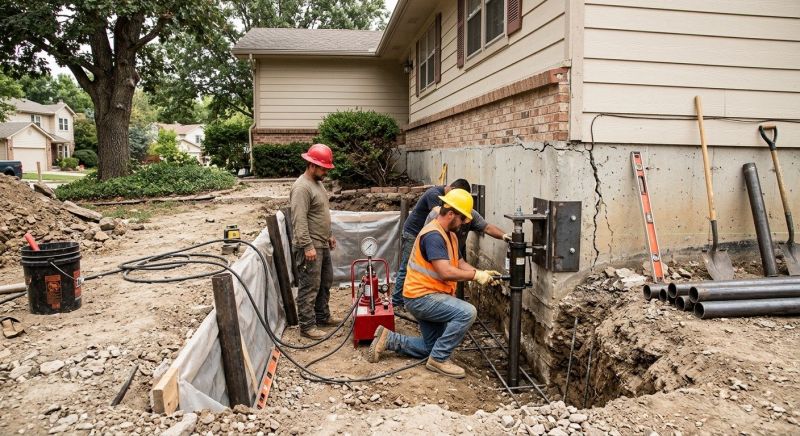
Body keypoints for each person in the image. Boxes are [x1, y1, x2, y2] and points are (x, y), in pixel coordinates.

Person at [368, 189, 501, 378]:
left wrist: (481, 273)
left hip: (428, 296)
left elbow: (459, 263)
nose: (465, 223)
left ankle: (389, 339)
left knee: (430, 347)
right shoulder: (433, 236)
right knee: (467, 312)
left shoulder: (451, 235)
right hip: (422, 298)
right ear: (451, 214)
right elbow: (445, 272)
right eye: (463, 219)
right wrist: (474, 276)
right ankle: (439, 360)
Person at [392, 179, 472, 310]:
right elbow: (439, 214)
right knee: (407, 266)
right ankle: (396, 302)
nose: (463, 223)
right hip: (414, 232)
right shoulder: (433, 194)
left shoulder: (449, 233)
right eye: (461, 218)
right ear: (452, 191)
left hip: (427, 233)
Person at [290, 143, 339, 339]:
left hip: (321, 242)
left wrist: (329, 234)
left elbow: (320, 213)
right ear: (312, 165)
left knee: (325, 281)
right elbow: (298, 219)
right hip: (309, 246)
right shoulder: (302, 187)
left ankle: (322, 316)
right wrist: (307, 245)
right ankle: (307, 326)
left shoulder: (318, 183)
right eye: (323, 168)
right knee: (309, 285)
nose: (326, 171)